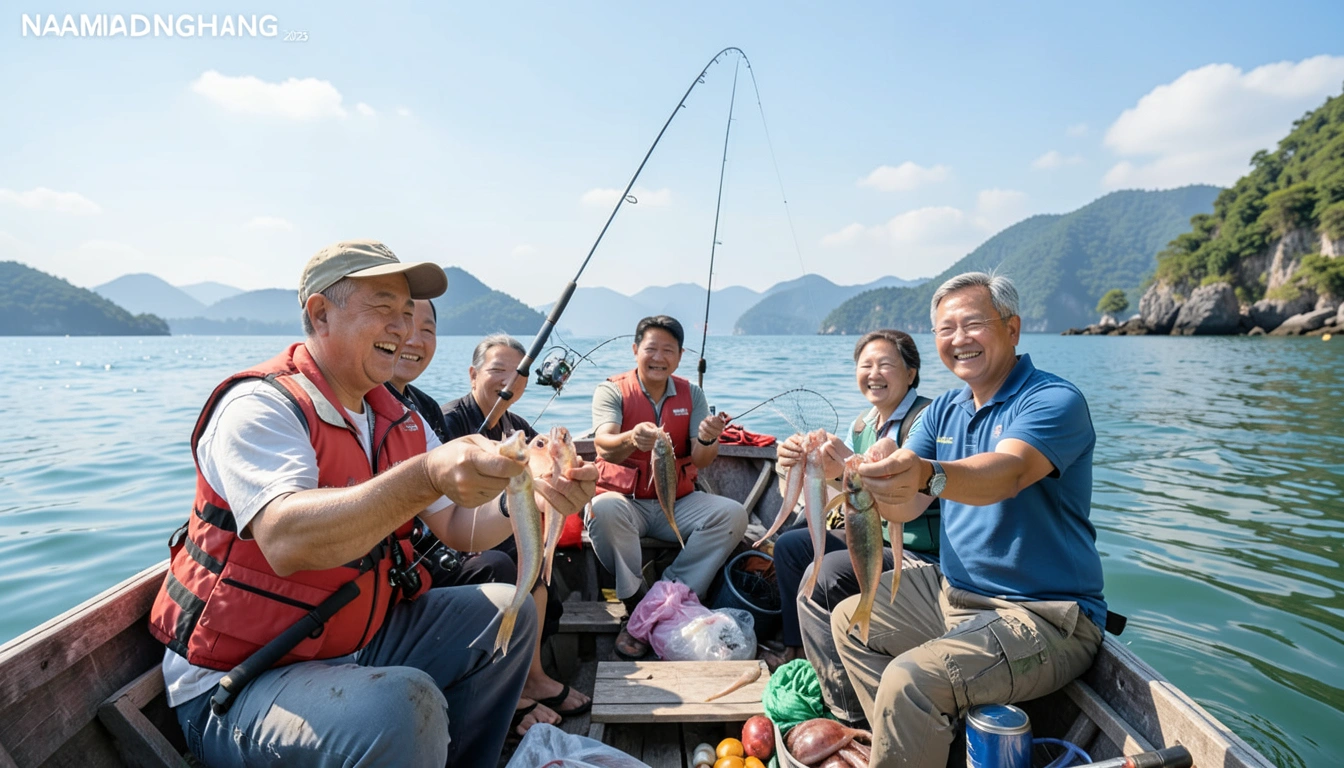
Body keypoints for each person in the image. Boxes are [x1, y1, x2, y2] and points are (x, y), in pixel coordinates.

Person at [147, 240, 598, 768]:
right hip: (241, 683)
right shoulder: (260, 406)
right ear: (320, 314)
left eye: (409, 315)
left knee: (512, 611)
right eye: (384, 309)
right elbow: (287, 539)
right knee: (402, 707)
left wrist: (529, 497)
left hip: (354, 644)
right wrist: (427, 476)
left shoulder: (400, 417)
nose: (403, 330)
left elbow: (459, 525)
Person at [797, 272, 1106, 768]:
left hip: (1043, 617)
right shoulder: (944, 409)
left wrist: (926, 472)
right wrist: (840, 475)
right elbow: (905, 506)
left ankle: (909, 743)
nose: (958, 339)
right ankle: (912, 747)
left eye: (973, 324)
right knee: (849, 623)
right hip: (953, 595)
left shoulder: (1053, 400)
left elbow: (1008, 472)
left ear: (1013, 329)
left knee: (909, 679)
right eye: (945, 329)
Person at [434, 332, 593, 731]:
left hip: (507, 528)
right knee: (505, 563)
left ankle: (533, 675)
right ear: (473, 375)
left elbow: (539, 477)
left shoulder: (517, 426)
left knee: (539, 568)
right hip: (453, 539)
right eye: (497, 370)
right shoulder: (448, 420)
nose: (509, 382)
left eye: (518, 373)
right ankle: (510, 685)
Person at [765, 329, 939, 671]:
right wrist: (804, 460)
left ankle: (836, 670)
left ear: (911, 373)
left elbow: (906, 497)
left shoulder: (927, 421)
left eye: (885, 364)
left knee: (829, 571)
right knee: (789, 546)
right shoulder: (863, 425)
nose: (873, 374)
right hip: (871, 533)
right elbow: (846, 485)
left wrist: (841, 463)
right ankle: (796, 649)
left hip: (920, 552)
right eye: (865, 365)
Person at [589, 315, 750, 659]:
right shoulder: (611, 390)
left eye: (668, 350)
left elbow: (702, 459)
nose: (659, 357)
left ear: (678, 357)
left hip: (676, 503)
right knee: (603, 508)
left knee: (733, 514)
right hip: (626, 504)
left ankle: (665, 595)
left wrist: (707, 436)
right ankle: (635, 602)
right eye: (651, 349)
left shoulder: (692, 393)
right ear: (635, 351)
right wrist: (632, 437)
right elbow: (603, 444)